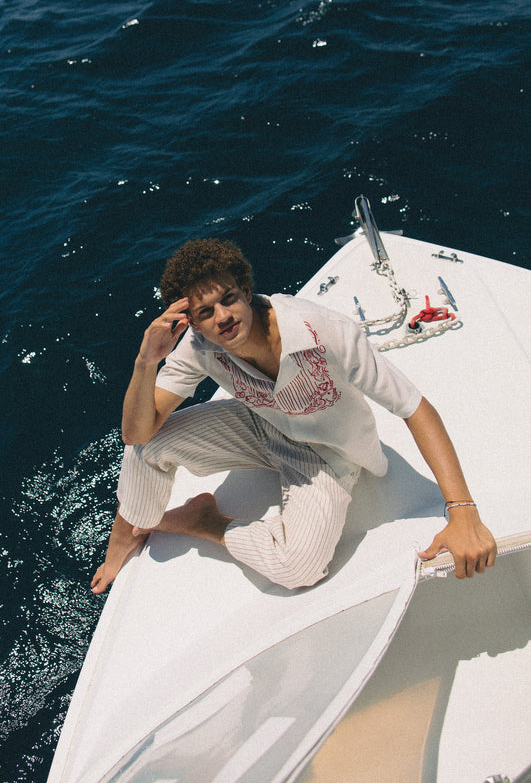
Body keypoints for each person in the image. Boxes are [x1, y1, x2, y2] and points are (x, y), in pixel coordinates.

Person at [91, 238, 496, 594]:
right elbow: (136, 432)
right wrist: (147, 360)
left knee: (296, 568)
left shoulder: (322, 331)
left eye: (228, 298)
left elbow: (415, 408)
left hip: (326, 454)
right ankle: (125, 534)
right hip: (261, 424)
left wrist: (462, 511)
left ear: (246, 292)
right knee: (148, 444)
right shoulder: (198, 346)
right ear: (191, 322)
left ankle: (204, 521)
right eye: (206, 311)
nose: (222, 317)